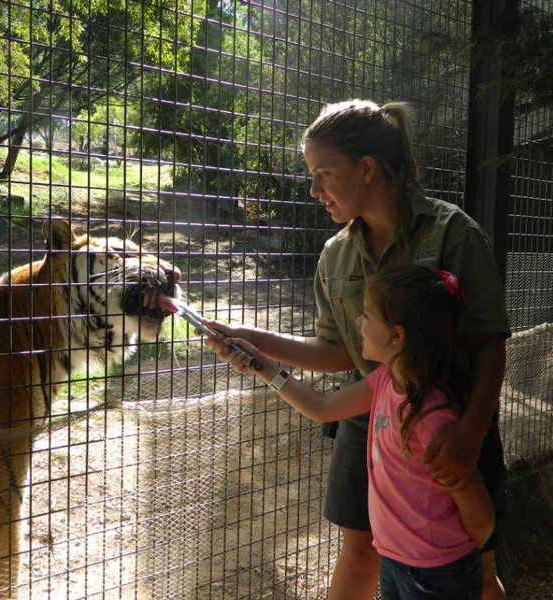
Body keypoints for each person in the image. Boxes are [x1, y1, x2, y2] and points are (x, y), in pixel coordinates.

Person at [202, 99, 509, 600]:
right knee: (361, 549)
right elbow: (339, 351)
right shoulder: (335, 253)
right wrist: (249, 339)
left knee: (477, 560)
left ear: (367, 169)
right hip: (371, 410)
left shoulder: (452, 232)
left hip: (452, 423)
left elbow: (490, 344)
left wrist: (471, 433)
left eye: (324, 173)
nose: (313, 189)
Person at [209, 264, 494, 599]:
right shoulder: (386, 380)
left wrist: (447, 555)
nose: (358, 322)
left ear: (397, 336)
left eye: (368, 315)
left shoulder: (433, 418)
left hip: (437, 574)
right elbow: (323, 408)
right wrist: (263, 366)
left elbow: (482, 521)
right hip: (395, 561)